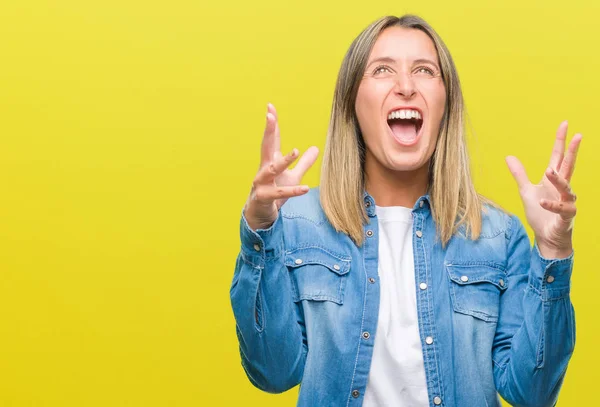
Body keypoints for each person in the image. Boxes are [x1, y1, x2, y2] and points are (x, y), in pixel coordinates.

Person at [229, 14, 580, 407]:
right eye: (382, 70)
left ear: (446, 103)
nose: (407, 87)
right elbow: (273, 372)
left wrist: (552, 252)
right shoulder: (295, 225)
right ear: (352, 102)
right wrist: (261, 232)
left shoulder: (498, 236)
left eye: (424, 71)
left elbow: (532, 393)